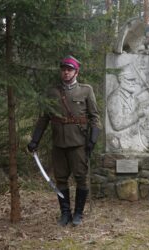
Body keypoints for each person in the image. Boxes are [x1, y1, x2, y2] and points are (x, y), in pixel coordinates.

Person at [27, 55, 101, 226]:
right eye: (64, 69)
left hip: (78, 144)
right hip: (59, 144)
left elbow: (94, 117)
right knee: (61, 179)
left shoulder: (86, 90)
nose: (66, 72)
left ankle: (78, 214)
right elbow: (44, 118)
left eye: (70, 69)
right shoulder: (52, 92)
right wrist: (35, 140)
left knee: (81, 178)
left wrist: (93, 140)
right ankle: (65, 214)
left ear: (76, 71)